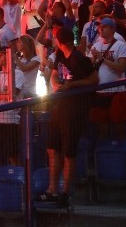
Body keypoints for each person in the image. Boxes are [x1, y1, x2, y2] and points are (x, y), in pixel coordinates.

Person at [40, 27, 98, 208]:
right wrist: (56, 83)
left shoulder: (80, 58)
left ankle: (65, 192)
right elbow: (55, 74)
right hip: (59, 106)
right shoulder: (60, 54)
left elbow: (94, 80)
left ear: (59, 40)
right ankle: (52, 190)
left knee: (69, 151)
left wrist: (72, 85)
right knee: (52, 147)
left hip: (75, 109)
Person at [0, 46, 24, 172]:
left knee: (13, 156)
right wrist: (3, 93)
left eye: (0, 55)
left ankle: (18, 183)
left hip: (10, 121)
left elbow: (11, 96)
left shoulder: (18, 74)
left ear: (7, 56)